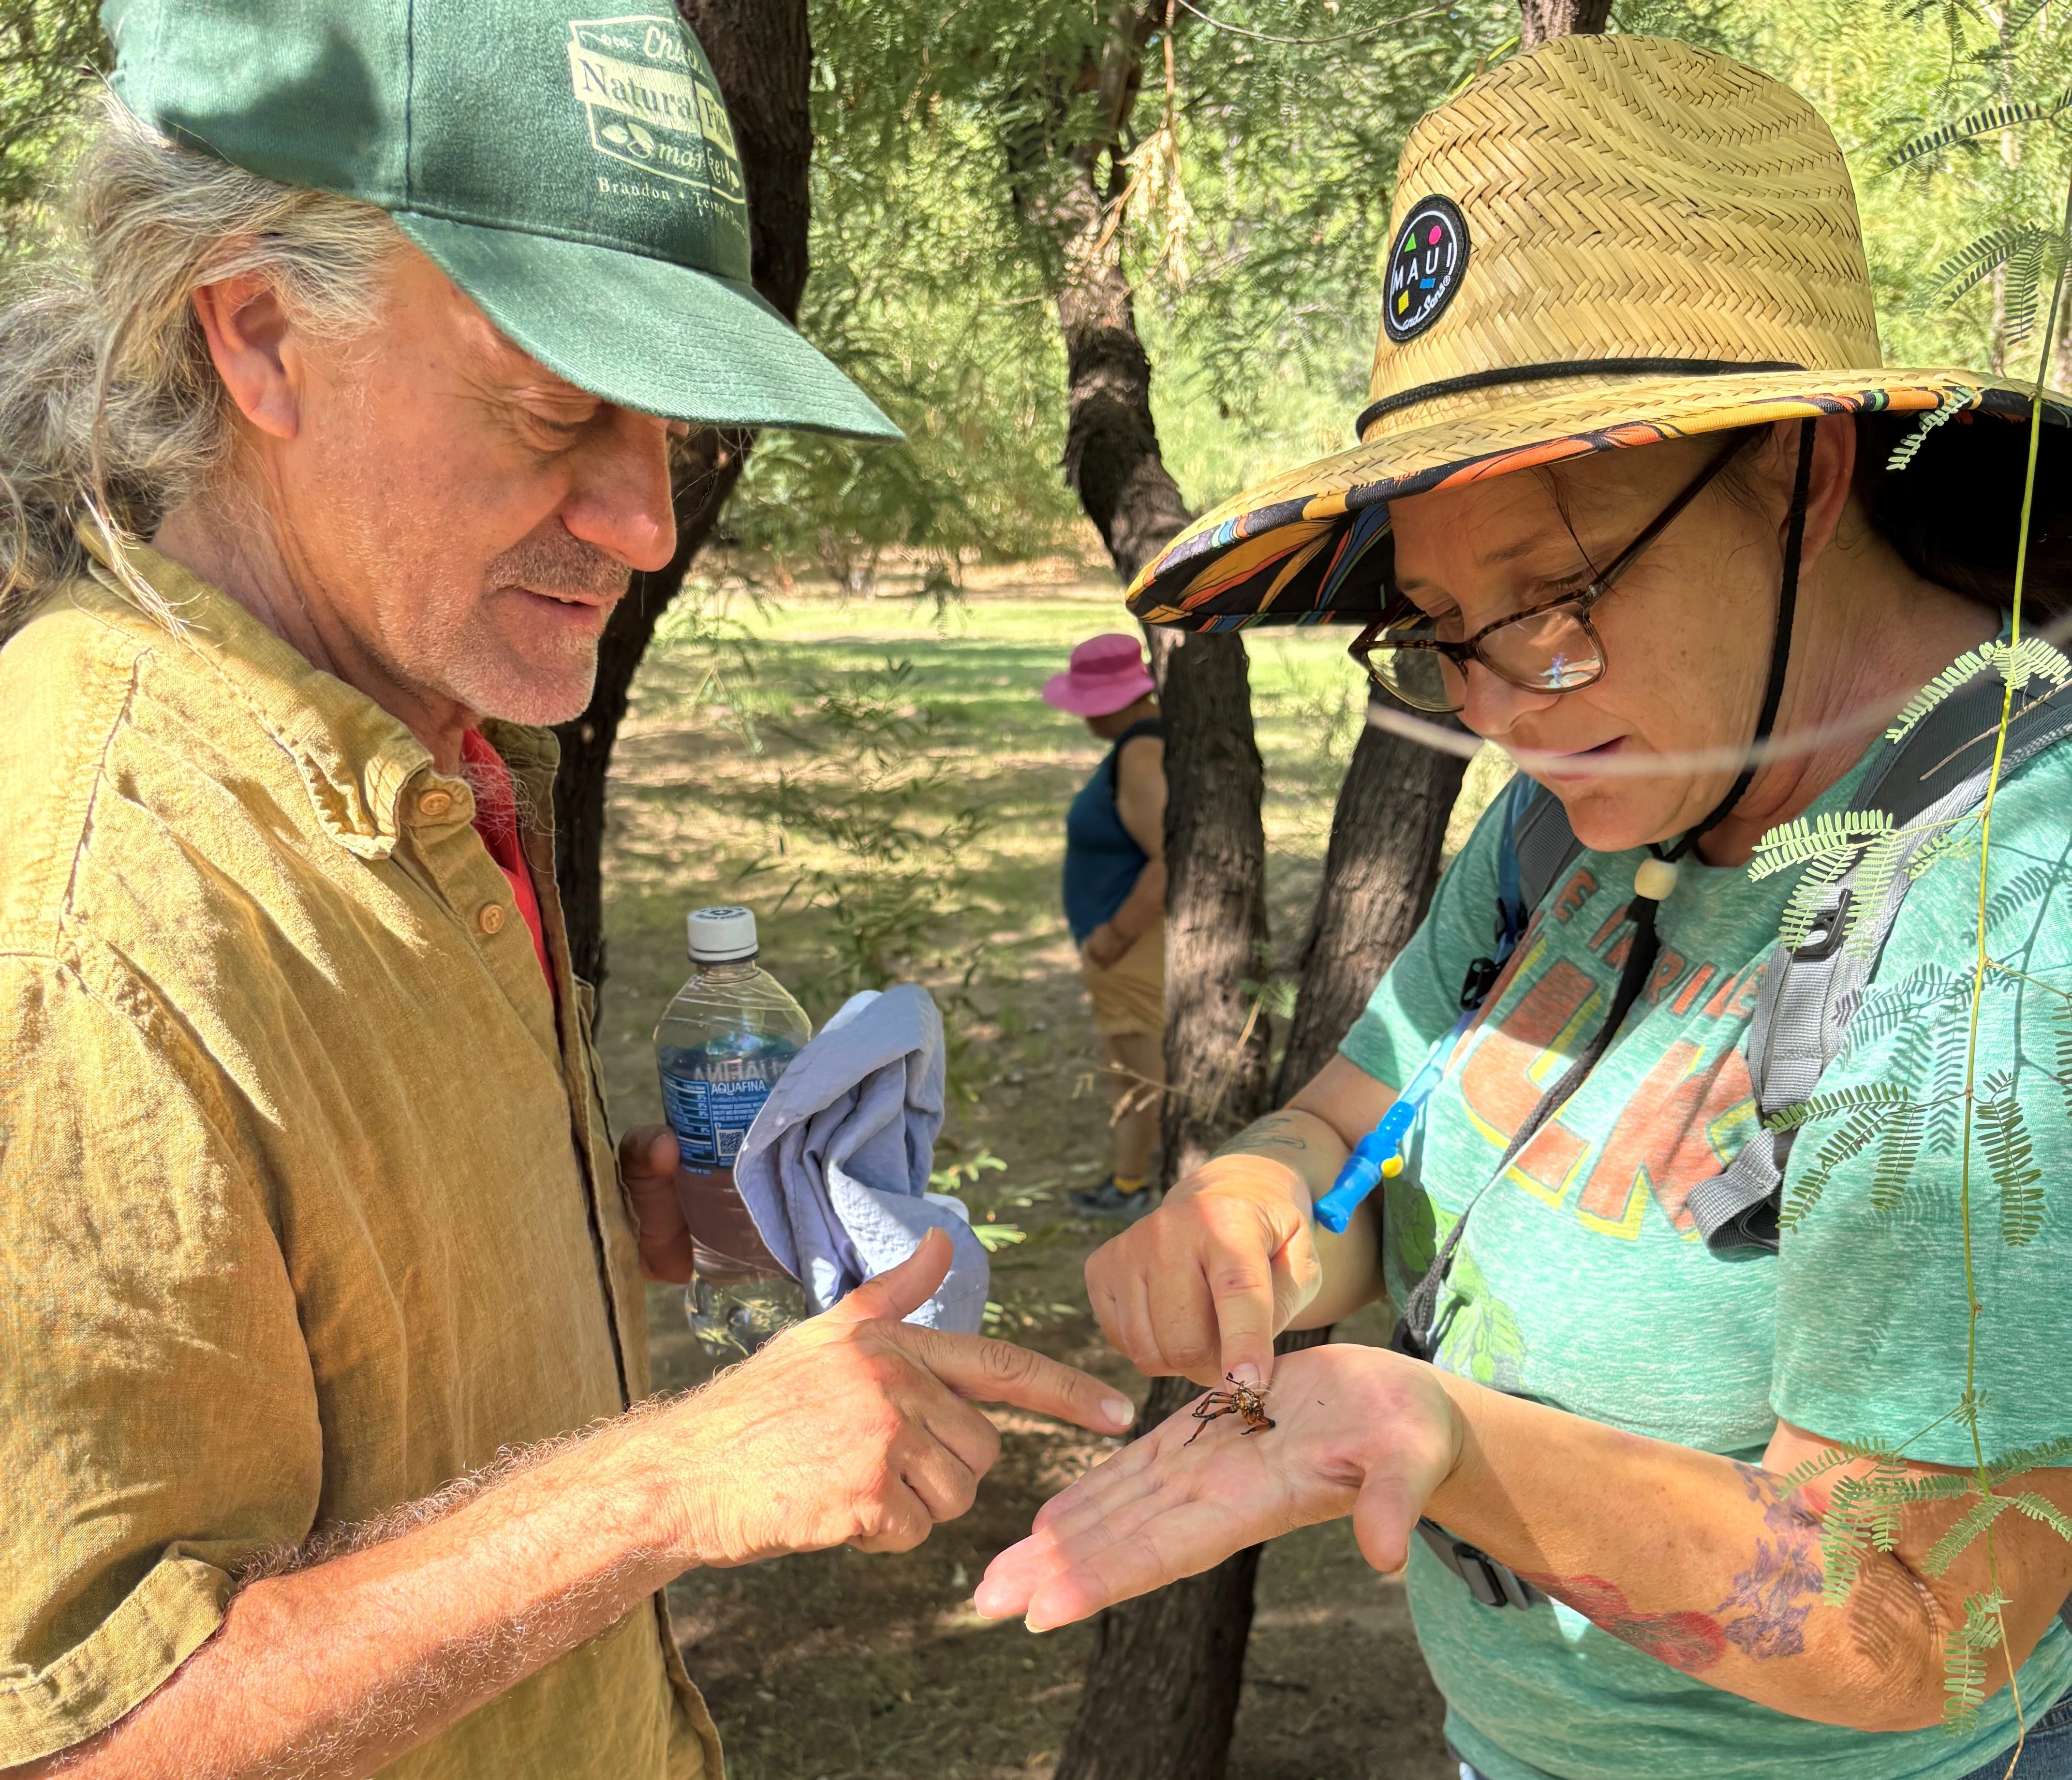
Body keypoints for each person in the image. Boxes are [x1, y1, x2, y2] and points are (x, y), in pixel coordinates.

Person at [0, 6, 1136, 1778]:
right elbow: (89, 1735)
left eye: (670, 425)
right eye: (555, 410)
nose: (646, 520)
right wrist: (673, 1478)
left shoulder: (425, 749)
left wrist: (603, 1227)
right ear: (261, 335)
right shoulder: (90, 907)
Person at [979, 35, 2072, 1780]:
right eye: (1435, 631)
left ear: (1797, 471)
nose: (1492, 705)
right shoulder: (1567, 830)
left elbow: (1928, 1614)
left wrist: (1434, 1434)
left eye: (1553, 604)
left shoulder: (2004, 918)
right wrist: (1265, 1198)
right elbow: (1373, 1122)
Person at [1043, 634, 1169, 1220]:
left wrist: (1114, 937)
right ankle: (1128, 1180)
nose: (1085, 716)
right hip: (1122, 945)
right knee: (1129, 1067)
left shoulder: (1141, 752)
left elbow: (1166, 858)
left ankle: (1133, 1188)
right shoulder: (1139, 745)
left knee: (1137, 1074)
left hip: (1131, 945)